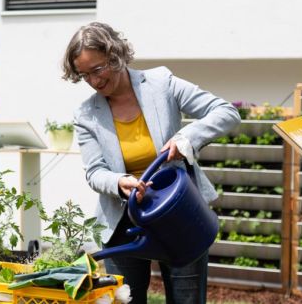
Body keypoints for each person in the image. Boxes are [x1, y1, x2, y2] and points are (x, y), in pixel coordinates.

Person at [64, 22, 240, 304]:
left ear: (115, 55)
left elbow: (225, 112)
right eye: (84, 75)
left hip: (180, 214)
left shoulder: (161, 83)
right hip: (123, 221)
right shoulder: (86, 114)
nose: (94, 81)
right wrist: (119, 183)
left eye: (98, 70)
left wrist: (187, 138)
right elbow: (95, 172)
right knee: (126, 300)